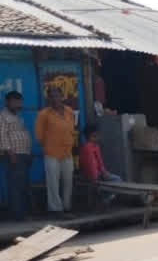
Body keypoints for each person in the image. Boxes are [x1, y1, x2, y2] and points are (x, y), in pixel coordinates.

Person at [35, 86, 76, 215]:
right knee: (53, 183)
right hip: (52, 153)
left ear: (61, 96)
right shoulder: (44, 114)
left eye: (57, 95)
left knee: (68, 181)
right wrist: (47, 146)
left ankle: (67, 207)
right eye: (51, 96)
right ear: (48, 98)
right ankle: (55, 209)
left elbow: (72, 129)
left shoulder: (69, 111)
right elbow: (39, 135)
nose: (55, 98)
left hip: (67, 152)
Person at [0, 91, 34, 221]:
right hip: (14, 154)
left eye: (19, 101)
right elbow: (2, 135)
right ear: (7, 102)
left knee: (22, 184)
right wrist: (10, 152)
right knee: (15, 186)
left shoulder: (17, 116)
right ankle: (17, 215)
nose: (18, 104)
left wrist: (29, 152)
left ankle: (22, 213)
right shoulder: (3, 115)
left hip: (23, 153)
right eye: (15, 101)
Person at [79, 125, 120, 204]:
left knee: (117, 180)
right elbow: (90, 165)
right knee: (118, 180)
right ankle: (105, 199)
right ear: (92, 136)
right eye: (96, 136)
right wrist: (95, 178)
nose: (98, 137)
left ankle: (104, 197)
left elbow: (100, 162)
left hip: (98, 174)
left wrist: (104, 172)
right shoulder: (87, 148)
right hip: (92, 176)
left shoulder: (95, 146)